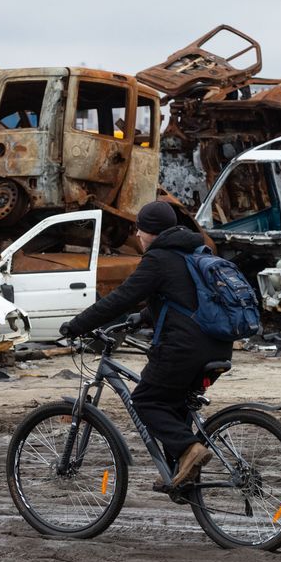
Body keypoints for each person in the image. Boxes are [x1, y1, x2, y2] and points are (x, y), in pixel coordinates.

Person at [59, 201, 233, 489]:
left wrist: (76, 325)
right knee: (173, 404)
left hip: (183, 349)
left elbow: (122, 297)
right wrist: (140, 319)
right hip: (217, 345)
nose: (137, 236)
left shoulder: (158, 259)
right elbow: (179, 301)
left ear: (150, 231)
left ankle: (190, 450)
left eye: (139, 229)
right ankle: (182, 474)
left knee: (145, 401)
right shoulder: (193, 252)